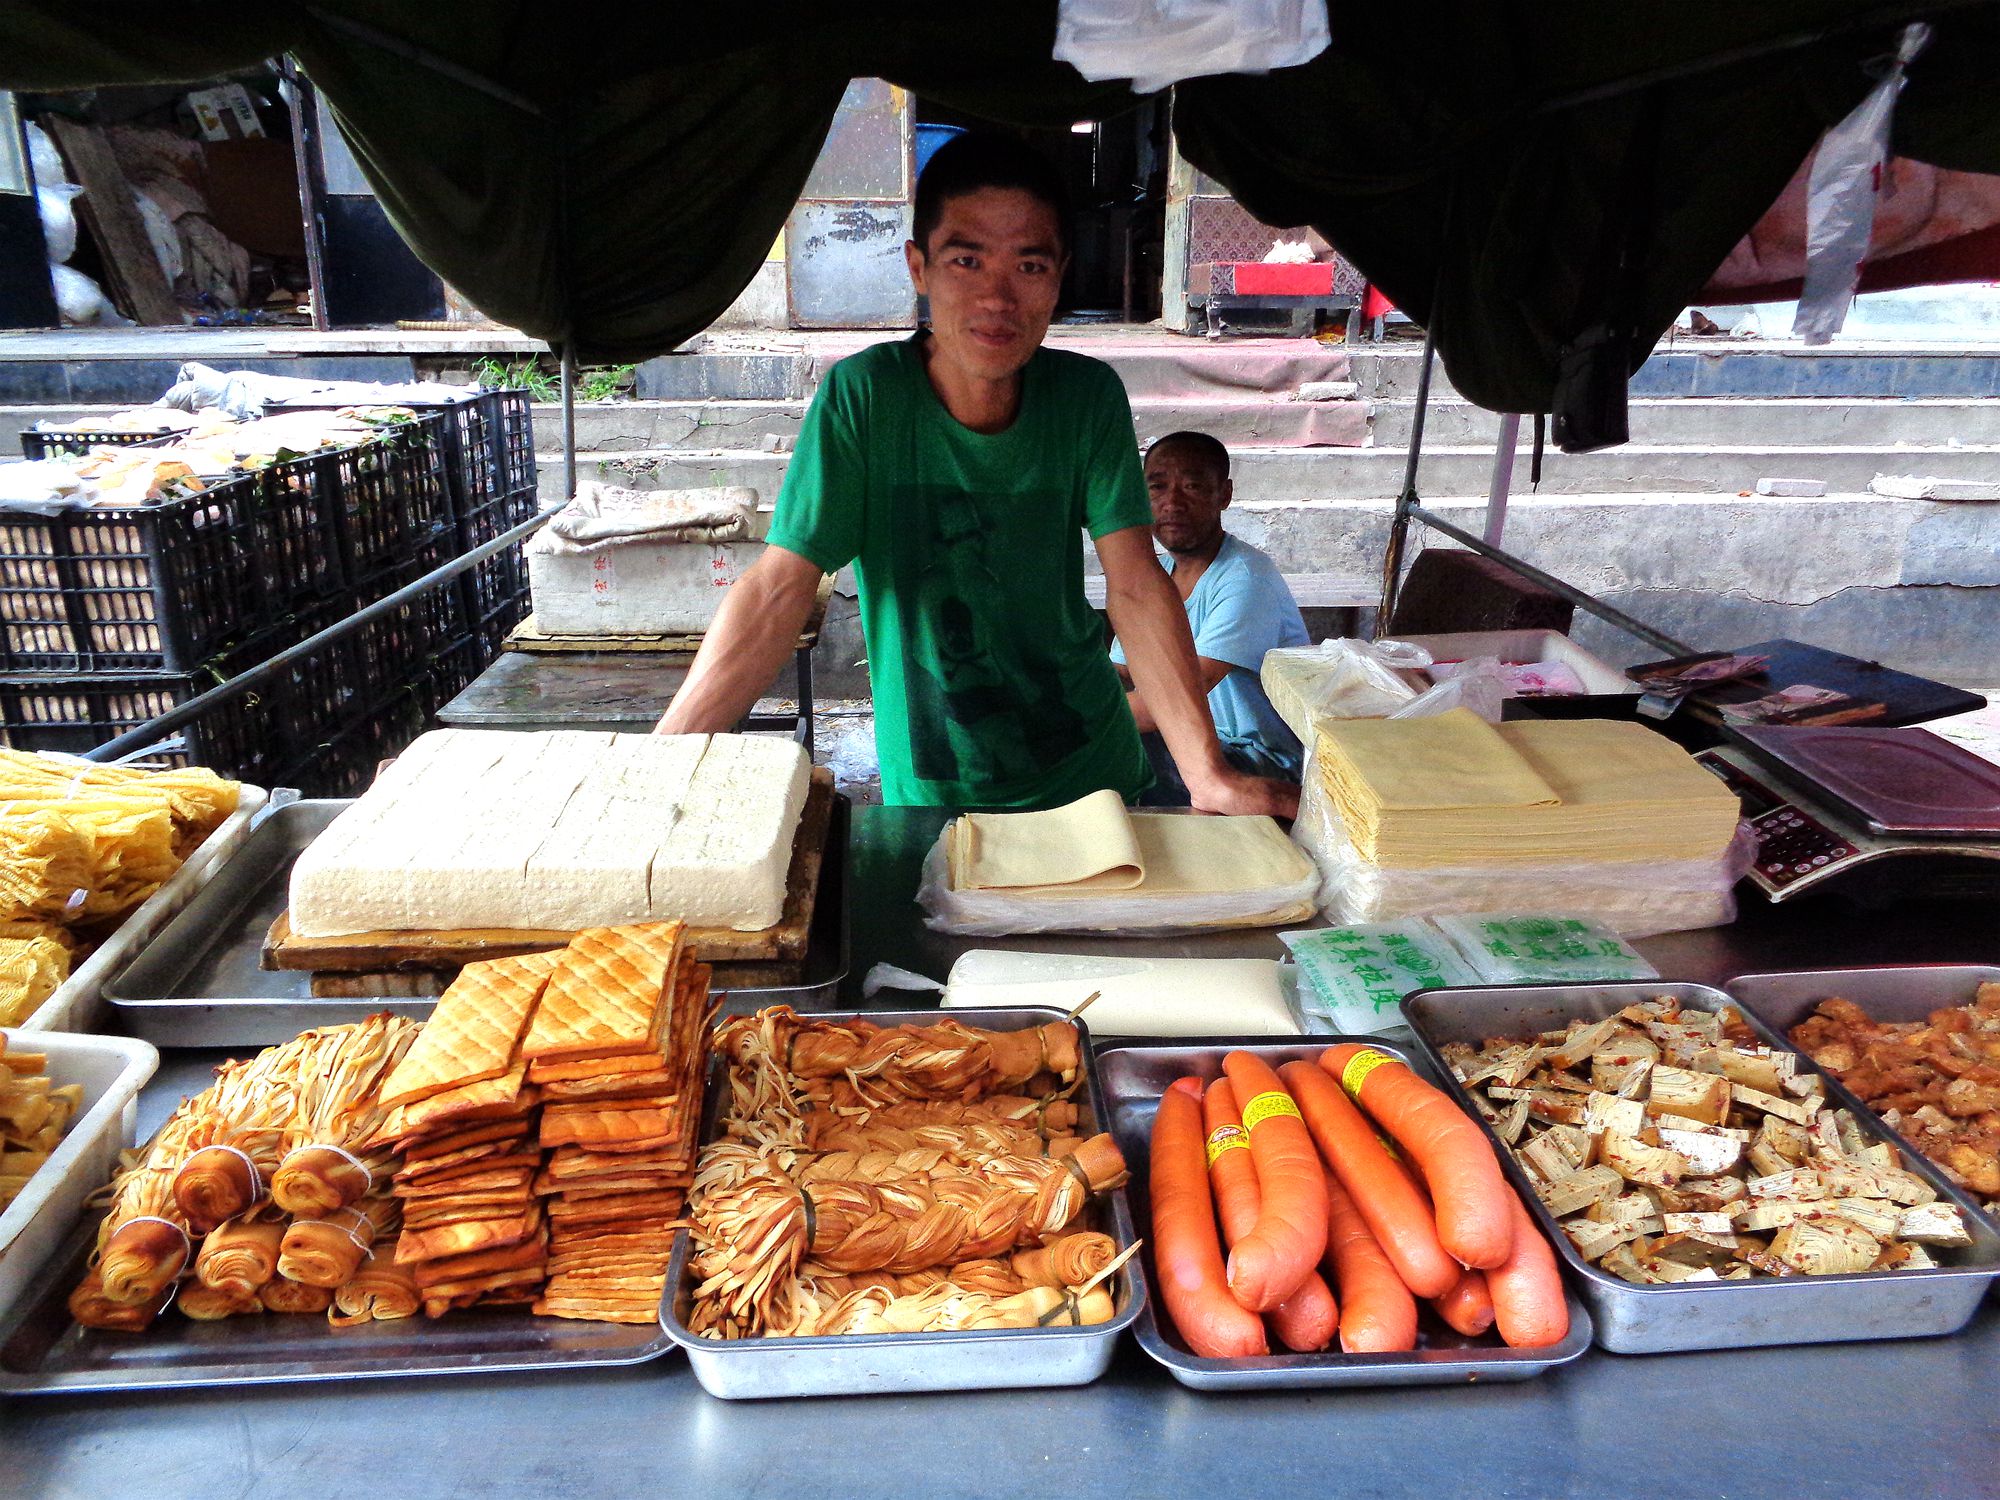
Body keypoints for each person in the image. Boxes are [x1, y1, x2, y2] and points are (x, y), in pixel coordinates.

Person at [655, 132, 1297, 819]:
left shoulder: (1086, 398)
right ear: (919, 266)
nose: (997, 298)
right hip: (936, 785)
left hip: (1095, 775)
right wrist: (662, 762)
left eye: (1028, 265)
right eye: (966, 260)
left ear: (1059, 277)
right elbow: (781, 587)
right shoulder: (865, 399)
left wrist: (1207, 774)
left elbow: (1137, 586)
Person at [1112, 432, 1310, 787]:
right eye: (1157, 487)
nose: (1172, 503)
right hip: (1194, 741)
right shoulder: (1157, 577)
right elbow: (1121, 671)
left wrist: (1071, 724)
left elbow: (1181, 696)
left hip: (1260, 759)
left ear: (1225, 495)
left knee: (1108, 753)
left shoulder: (1245, 578)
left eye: (1192, 487)